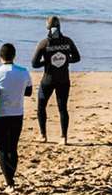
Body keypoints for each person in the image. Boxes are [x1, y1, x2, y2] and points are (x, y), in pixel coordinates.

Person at [0, 43, 33, 193]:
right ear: (14, 56)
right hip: (17, 115)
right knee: (12, 148)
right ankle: (11, 180)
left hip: (0, 116)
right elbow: (28, 92)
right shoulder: (24, 72)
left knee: (1, 149)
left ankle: (9, 182)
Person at [32, 15, 81, 144]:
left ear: (47, 27)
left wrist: (46, 62)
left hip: (47, 80)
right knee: (63, 108)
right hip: (64, 80)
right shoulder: (67, 41)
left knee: (41, 107)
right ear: (60, 26)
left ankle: (43, 135)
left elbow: (34, 64)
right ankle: (63, 137)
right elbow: (77, 58)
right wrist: (66, 61)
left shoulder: (44, 43)